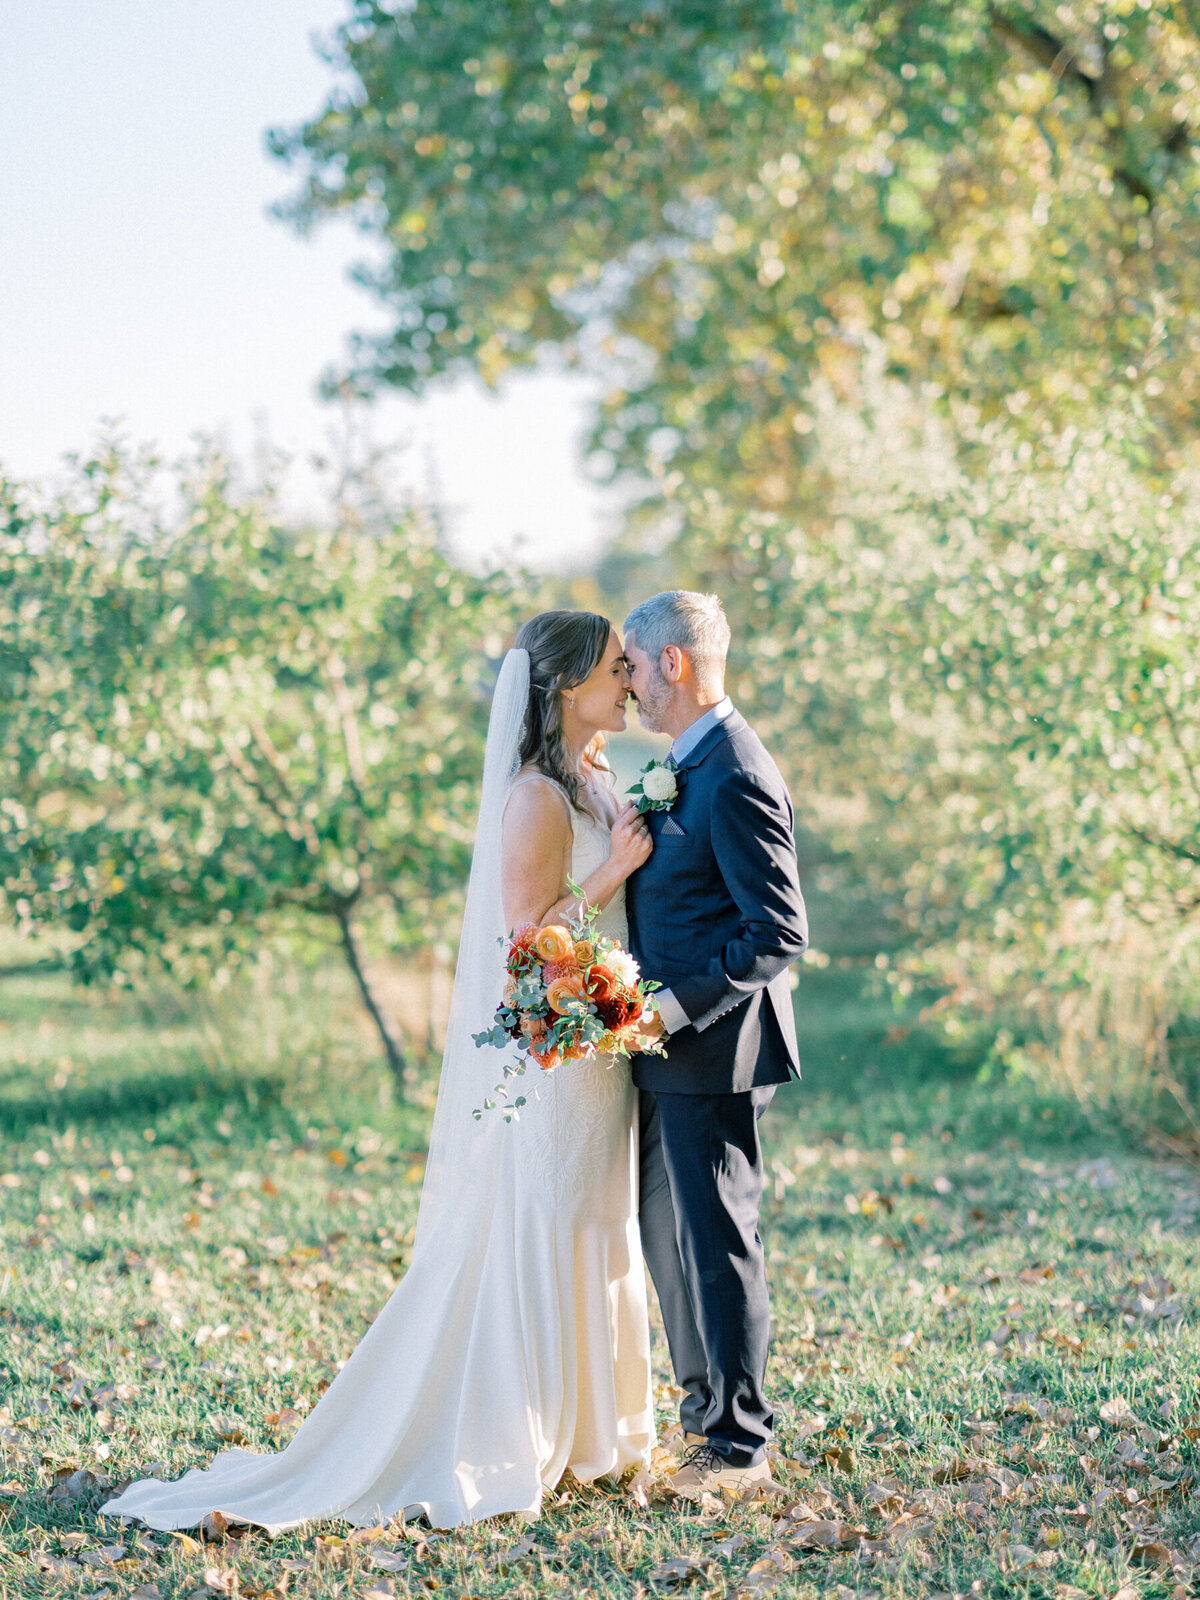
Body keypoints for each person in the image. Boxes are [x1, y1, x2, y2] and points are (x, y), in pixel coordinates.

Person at [101, 611, 658, 1534]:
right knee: (550, 1219)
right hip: (560, 1059)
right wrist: (615, 872)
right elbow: (528, 942)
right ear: (564, 687)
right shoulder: (535, 798)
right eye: (611, 668)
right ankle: (515, 1426)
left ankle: (598, 1431)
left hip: (597, 1048)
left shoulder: (596, 778)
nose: (629, 680)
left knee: (599, 1218)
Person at [622, 590, 808, 1501]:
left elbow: (779, 930)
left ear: (674, 663)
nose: (626, 683)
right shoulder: (683, 761)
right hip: (668, 1051)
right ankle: (705, 1420)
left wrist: (673, 1009)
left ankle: (740, 1448)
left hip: (715, 1048)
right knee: (675, 1237)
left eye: (632, 662)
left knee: (720, 1241)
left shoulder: (734, 770)